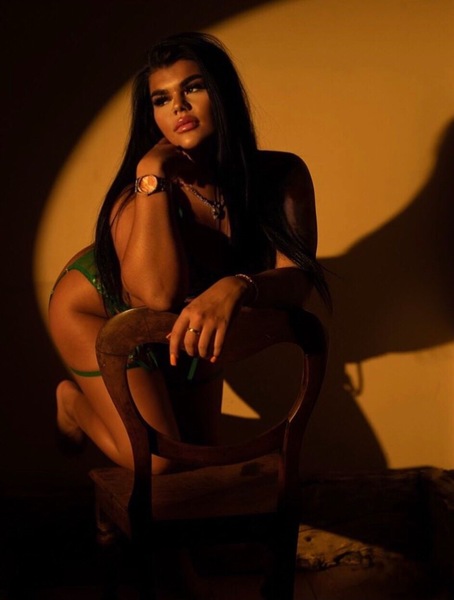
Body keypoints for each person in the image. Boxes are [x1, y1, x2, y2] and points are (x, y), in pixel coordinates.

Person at [49, 31, 329, 474]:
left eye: (192, 88)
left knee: (200, 460)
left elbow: (298, 280)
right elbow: (156, 296)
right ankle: (73, 404)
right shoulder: (143, 191)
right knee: (159, 463)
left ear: (221, 93)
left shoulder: (281, 175)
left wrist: (238, 286)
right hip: (99, 312)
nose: (178, 107)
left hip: (186, 315)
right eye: (161, 99)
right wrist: (151, 171)